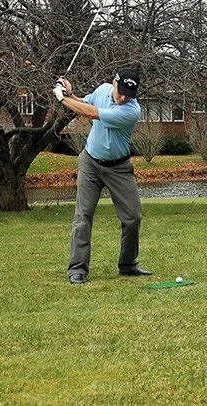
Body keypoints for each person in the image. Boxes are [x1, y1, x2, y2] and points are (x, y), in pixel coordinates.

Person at [53, 68, 152, 284]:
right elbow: (85, 103)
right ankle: (77, 269)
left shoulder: (132, 111)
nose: (123, 97)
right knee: (83, 216)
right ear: (114, 83)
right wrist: (69, 93)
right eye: (122, 91)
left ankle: (128, 264)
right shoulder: (102, 91)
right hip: (90, 162)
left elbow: (90, 113)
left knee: (133, 217)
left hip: (119, 168)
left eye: (129, 94)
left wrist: (61, 99)